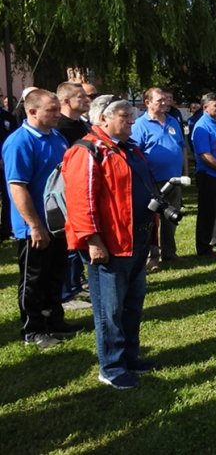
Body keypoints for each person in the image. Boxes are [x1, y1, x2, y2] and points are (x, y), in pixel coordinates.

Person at [63, 95, 157, 388]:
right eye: (123, 115)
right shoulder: (88, 151)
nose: (131, 120)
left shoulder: (128, 148)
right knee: (110, 309)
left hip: (136, 238)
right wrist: (92, 240)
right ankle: (111, 366)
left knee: (133, 303)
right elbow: (81, 202)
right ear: (102, 118)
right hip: (110, 244)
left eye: (131, 115)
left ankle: (130, 356)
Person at [3, 89, 82, 350]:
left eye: (58, 109)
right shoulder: (20, 142)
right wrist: (34, 225)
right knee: (33, 280)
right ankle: (33, 330)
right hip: (34, 226)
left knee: (55, 274)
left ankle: (53, 319)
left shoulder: (57, 137)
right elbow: (17, 187)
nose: (58, 114)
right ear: (32, 111)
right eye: (51, 110)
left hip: (59, 222)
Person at [131, 87, 188, 265]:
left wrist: (184, 171)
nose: (164, 103)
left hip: (174, 179)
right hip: (152, 181)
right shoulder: (140, 125)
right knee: (150, 220)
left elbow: (182, 147)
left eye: (165, 99)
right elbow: (135, 154)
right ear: (147, 103)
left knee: (172, 217)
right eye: (159, 100)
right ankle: (151, 256)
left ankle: (169, 253)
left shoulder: (172, 121)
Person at [54, 81, 92, 303]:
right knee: (70, 243)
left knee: (80, 241)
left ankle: (77, 284)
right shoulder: (61, 128)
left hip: (83, 190)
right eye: (81, 97)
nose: (87, 100)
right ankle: (67, 293)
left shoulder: (82, 125)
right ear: (66, 101)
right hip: (68, 191)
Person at [191, 93, 216, 256]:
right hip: (209, 175)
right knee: (207, 212)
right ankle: (203, 246)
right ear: (205, 107)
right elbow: (205, 155)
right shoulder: (202, 126)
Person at [0, 97, 20, 240]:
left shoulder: (8, 116)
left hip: (7, 162)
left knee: (8, 196)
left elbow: (13, 135)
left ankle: (6, 229)